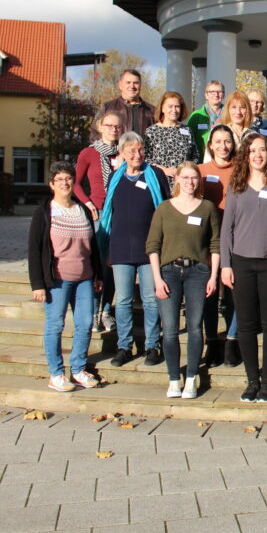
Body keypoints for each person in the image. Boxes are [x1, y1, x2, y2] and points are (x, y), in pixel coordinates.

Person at [220, 133, 267, 403]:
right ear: (246, 154)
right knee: (246, 324)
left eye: (262, 150)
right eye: (252, 150)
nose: (257, 155)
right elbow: (226, 228)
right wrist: (226, 265)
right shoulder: (237, 186)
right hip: (241, 261)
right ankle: (252, 380)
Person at [146, 162, 220, 399]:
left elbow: (215, 244)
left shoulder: (207, 208)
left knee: (195, 327)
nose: (190, 182)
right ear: (176, 179)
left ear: (199, 181)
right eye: (185, 177)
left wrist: (213, 275)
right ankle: (173, 378)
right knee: (169, 329)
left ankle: (190, 377)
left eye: (194, 178)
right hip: (168, 272)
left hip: (198, 272)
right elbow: (153, 246)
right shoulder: (164, 209)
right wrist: (157, 278)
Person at [97, 132, 170, 367]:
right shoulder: (115, 179)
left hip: (149, 250)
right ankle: (124, 346)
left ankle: (151, 346)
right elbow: (109, 213)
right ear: (122, 153)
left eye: (140, 149)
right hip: (119, 248)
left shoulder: (155, 175)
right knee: (125, 300)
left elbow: (165, 209)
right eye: (131, 151)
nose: (137, 154)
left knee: (150, 300)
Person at [29, 162, 103, 392]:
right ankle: (57, 374)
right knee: (55, 325)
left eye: (68, 178)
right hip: (57, 279)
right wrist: (38, 284)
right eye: (59, 179)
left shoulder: (82, 210)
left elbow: (94, 246)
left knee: (85, 324)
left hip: (85, 278)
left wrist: (98, 274)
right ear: (52, 184)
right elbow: (34, 249)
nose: (65, 183)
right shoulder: (45, 212)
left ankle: (79, 369)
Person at [75, 110, 122, 332]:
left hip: (119, 213)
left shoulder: (123, 152)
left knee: (112, 264)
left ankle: (106, 311)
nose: (114, 129)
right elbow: (75, 183)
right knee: (97, 264)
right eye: (109, 125)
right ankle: (93, 312)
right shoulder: (89, 153)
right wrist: (88, 203)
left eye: (117, 126)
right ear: (100, 127)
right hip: (99, 214)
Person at [197, 125, 237, 367]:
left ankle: (232, 341)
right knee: (209, 295)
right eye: (218, 141)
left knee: (234, 294)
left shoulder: (242, 170)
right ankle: (212, 341)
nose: (223, 146)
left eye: (227, 141)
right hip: (206, 241)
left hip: (235, 239)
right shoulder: (200, 171)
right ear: (210, 145)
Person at [144, 91, 199, 182]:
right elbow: (145, 158)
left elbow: (195, 156)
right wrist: (163, 170)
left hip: (183, 183)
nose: (174, 110)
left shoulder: (187, 130)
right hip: (159, 180)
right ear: (162, 109)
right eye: (170, 106)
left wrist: (185, 171)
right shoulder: (151, 131)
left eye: (177, 106)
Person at [92, 69, 154, 139]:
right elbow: (94, 134)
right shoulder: (107, 107)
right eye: (128, 82)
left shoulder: (152, 111)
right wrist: (109, 149)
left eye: (136, 83)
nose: (132, 86)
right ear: (120, 85)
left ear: (140, 85)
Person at [187, 80, 226, 158]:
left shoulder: (229, 114)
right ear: (206, 95)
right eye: (212, 92)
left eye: (219, 91)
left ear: (224, 94)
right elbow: (188, 140)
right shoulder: (196, 116)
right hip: (201, 161)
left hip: (224, 159)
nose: (216, 94)